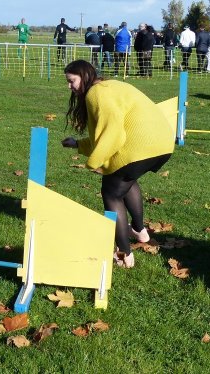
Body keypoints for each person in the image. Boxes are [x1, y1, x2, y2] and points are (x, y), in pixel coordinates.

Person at [61, 60, 174, 268]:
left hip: (140, 147)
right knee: (126, 178)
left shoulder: (96, 94)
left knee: (111, 193)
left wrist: (94, 162)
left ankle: (124, 255)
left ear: (85, 76)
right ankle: (140, 232)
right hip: (162, 144)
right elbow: (103, 136)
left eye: (72, 81)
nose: (69, 86)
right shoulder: (110, 86)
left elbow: (112, 133)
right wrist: (77, 144)